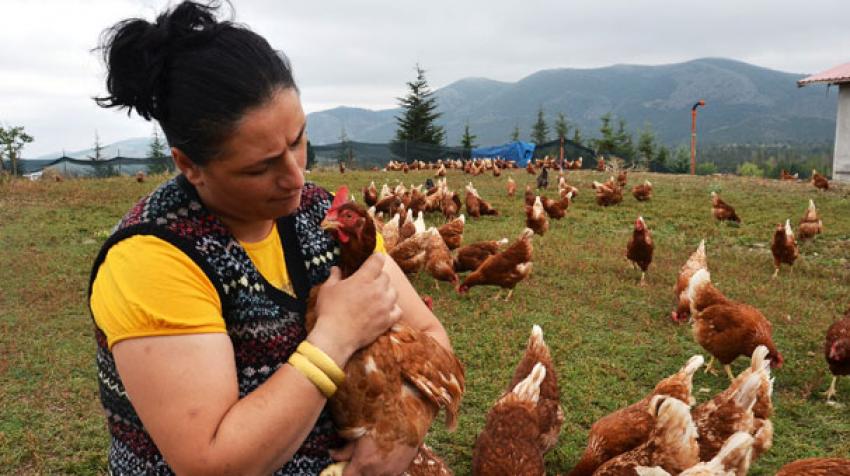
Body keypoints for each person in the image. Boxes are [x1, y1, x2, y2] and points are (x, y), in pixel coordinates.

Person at [89, 2, 453, 474]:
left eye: (299, 139)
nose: (295, 177)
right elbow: (212, 463)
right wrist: (334, 336)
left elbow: (430, 336)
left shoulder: (325, 215)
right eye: (261, 166)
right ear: (189, 165)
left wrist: (400, 428)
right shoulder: (152, 258)